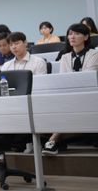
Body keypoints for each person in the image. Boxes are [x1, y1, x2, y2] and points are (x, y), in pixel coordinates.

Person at [42, 23, 98, 154]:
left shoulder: (94, 54)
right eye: (70, 33)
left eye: (77, 33)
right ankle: (54, 139)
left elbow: (86, 78)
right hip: (71, 94)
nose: (72, 36)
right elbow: (64, 80)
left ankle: (54, 138)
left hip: (90, 94)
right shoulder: (65, 57)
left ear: (85, 37)